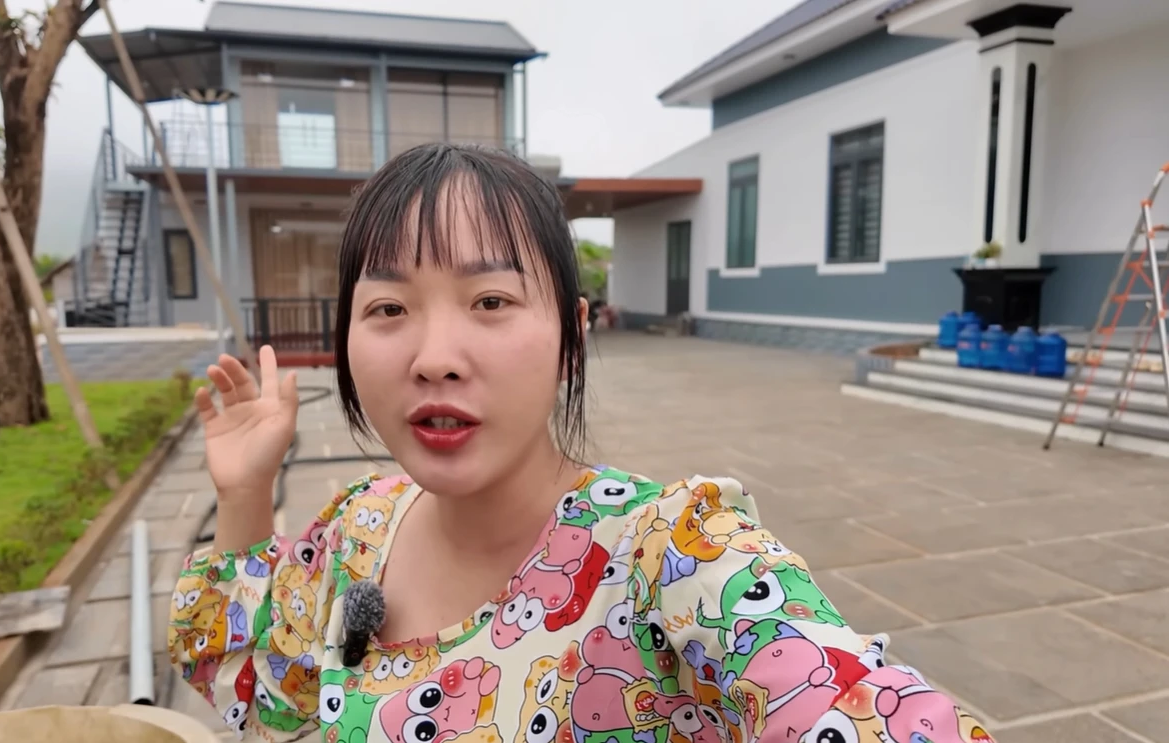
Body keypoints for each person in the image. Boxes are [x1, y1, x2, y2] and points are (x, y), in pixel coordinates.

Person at [169, 143, 993, 743]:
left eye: (490, 301)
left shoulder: (676, 559)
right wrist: (245, 492)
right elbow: (259, 698)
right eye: (388, 308)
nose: (434, 357)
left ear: (572, 335)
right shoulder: (357, 529)